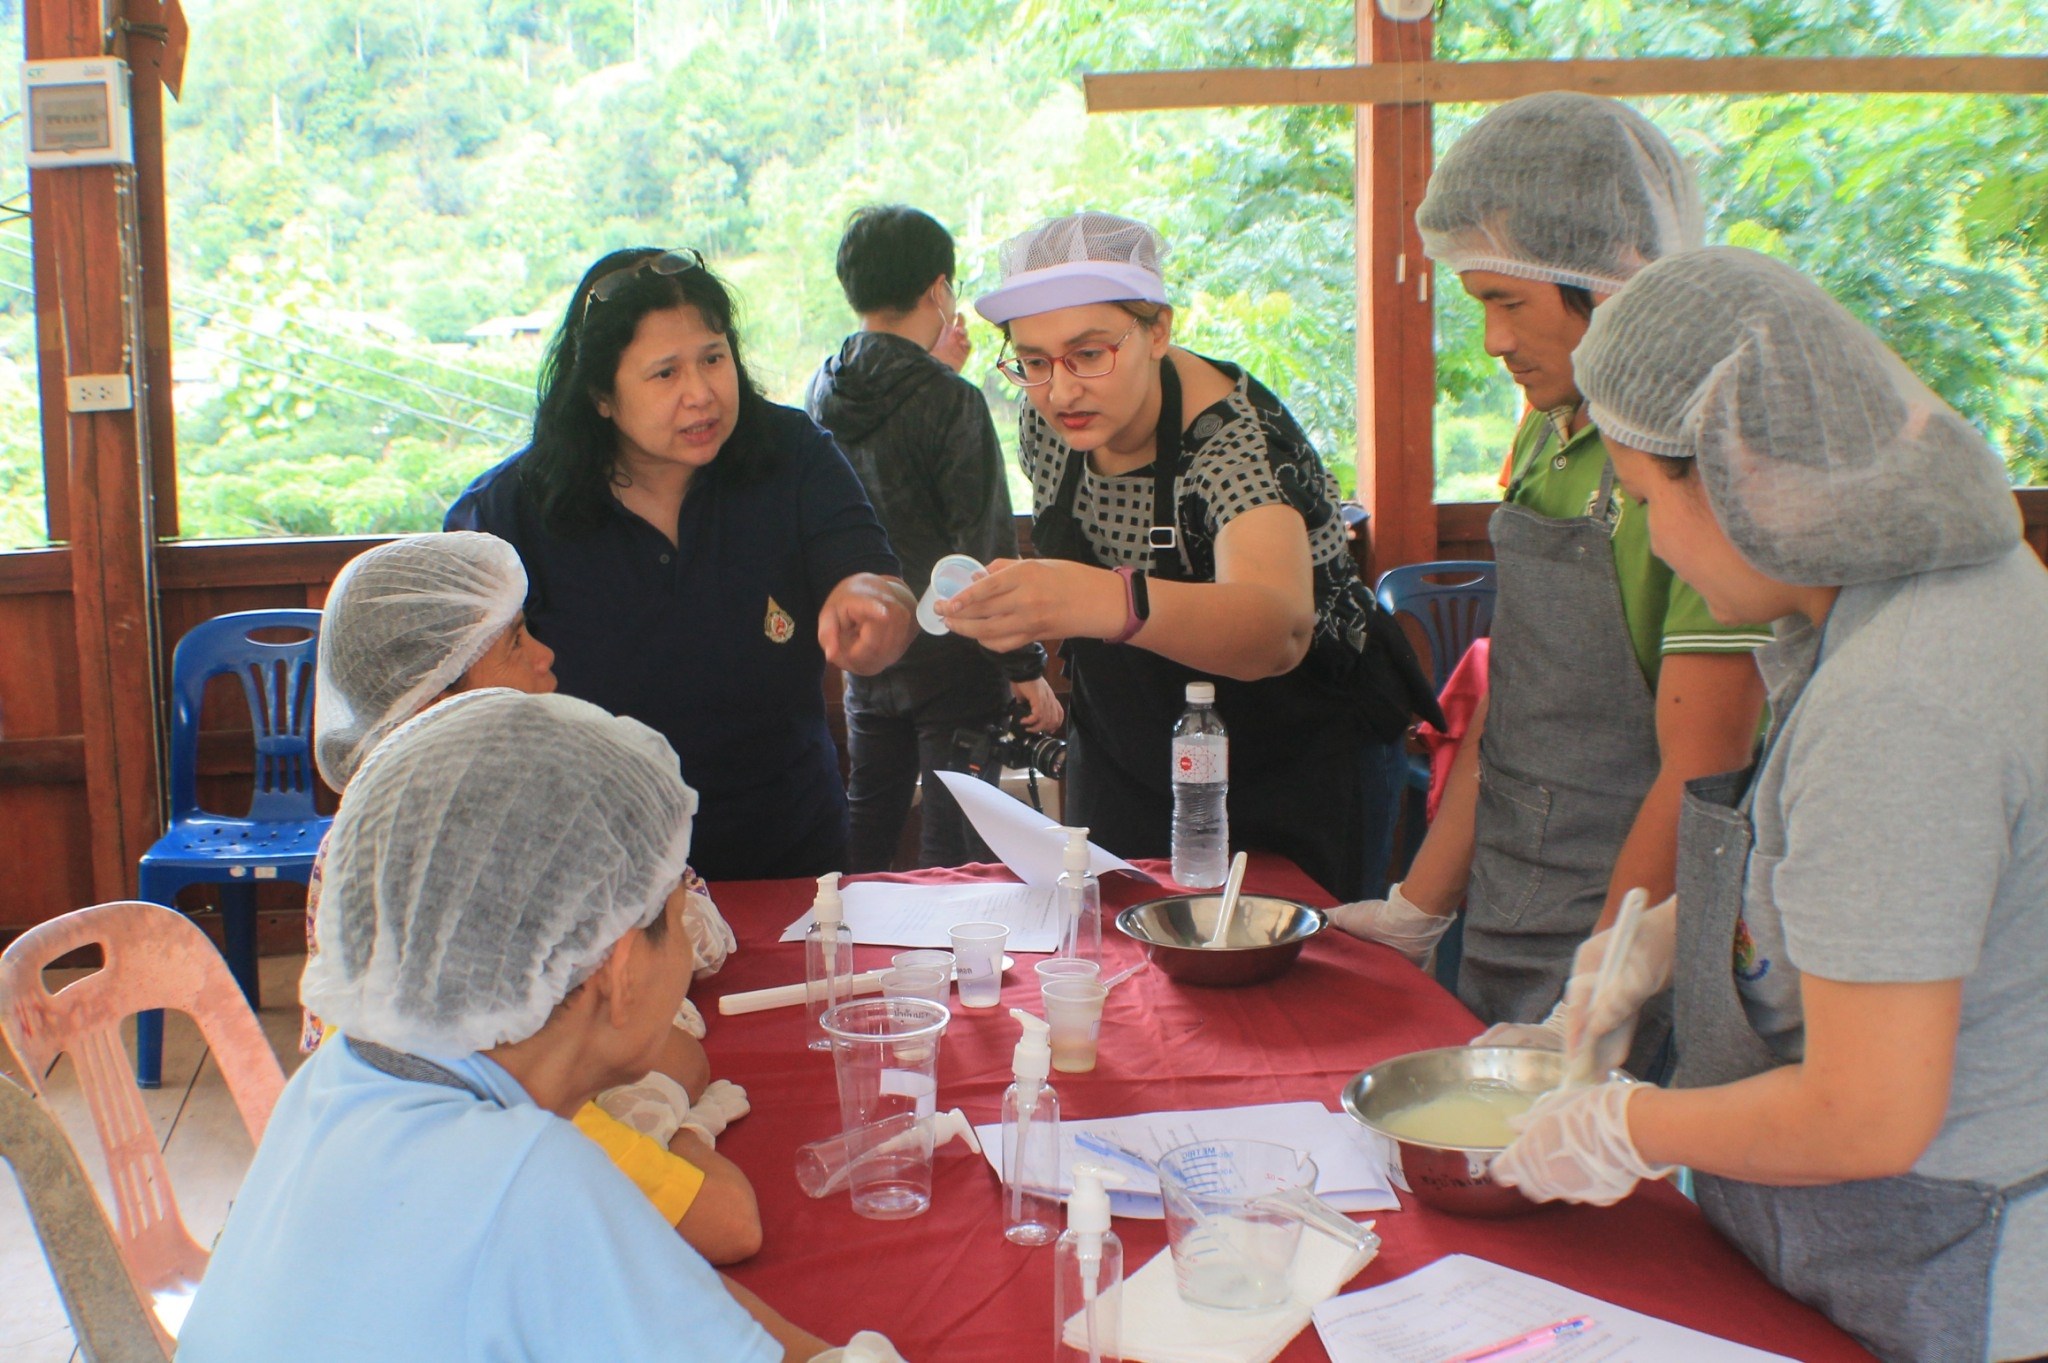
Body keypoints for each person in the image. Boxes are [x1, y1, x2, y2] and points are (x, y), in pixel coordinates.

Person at [1491, 247, 2048, 1363]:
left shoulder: (1904, 696)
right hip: (1841, 1236)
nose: (1651, 540)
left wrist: (1620, 1125)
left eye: (1647, 499)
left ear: (1742, 472)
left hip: (1938, 1257)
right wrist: (1662, 939)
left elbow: (1866, 1111)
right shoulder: (1904, 599)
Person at [180, 690, 905, 1361]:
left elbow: (655, 1286)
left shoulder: (338, 1081)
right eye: (679, 909)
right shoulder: (532, 1177)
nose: (692, 942)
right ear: (618, 970)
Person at [1334, 94, 1770, 1059]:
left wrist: (1601, 987)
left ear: (1609, 286)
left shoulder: (1693, 471)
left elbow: (1705, 767)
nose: (1491, 340)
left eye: (1507, 303)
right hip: (1507, 903)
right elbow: (1513, 704)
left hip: (1638, 935)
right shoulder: (1547, 430)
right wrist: (1418, 908)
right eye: (1477, 302)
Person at [939, 211, 1438, 901]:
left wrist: (1103, 598)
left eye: (1090, 354)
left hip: (1291, 755)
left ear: (1158, 330)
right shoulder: (1047, 420)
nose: (1059, 390)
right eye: (1032, 361)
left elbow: (1280, 626)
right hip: (1130, 753)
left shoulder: (1236, 440)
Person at [308, 532, 760, 1263]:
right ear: (441, 697)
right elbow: (728, 1224)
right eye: (516, 641)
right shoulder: (507, 1124)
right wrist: (683, 1128)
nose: (546, 655)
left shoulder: (386, 837)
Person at [447, 247, 918, 881]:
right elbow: (466, 706)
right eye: (665, 374)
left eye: (714, 359)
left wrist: (876, 604)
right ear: (601, 396)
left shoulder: (791, 454)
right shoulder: (507, 514)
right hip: (597, 878)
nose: (701, 394)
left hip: (788, 855)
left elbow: (876, 579)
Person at [807, 205, 1064, 870]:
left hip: (868, 654)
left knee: (869, 818)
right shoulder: (951, 402)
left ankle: (849, 963)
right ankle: (956, 973)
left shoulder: (821, 392)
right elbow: (980, 552)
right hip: (952, 663)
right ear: (939, 289)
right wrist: (1026, 671)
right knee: (956, 845)